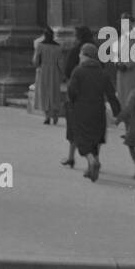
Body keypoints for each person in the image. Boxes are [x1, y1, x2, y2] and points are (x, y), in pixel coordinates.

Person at [67, 42, 121, 182]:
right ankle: (92, 165)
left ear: (85, 55)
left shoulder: (78, 71)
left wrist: (72, 102)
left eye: (81, 53)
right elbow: (111, 94)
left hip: (82, 110)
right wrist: (117, 113)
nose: (79, 56)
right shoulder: (103, 73)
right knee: (96, 138)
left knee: (82, 139)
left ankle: (91, 161)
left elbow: (71, 91)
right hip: (98, 110)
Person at [60, 25, 94, 167]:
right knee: (93, 130)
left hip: (77, 94)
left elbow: (67, 70)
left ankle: (74, 157)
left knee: (74, 128)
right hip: (94, 95)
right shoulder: (96, 49)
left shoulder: (76, 51)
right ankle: (94, 158)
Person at [33, 25, 63, 124]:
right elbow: (60, 62)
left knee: (44, 92)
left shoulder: (40, 46)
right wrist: (62, 73)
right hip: (54, 71)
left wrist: (37, 65)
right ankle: (55, 113)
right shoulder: (58, 47)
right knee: (54, 93)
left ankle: (47, 115)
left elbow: (36, 60)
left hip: (43, 71)